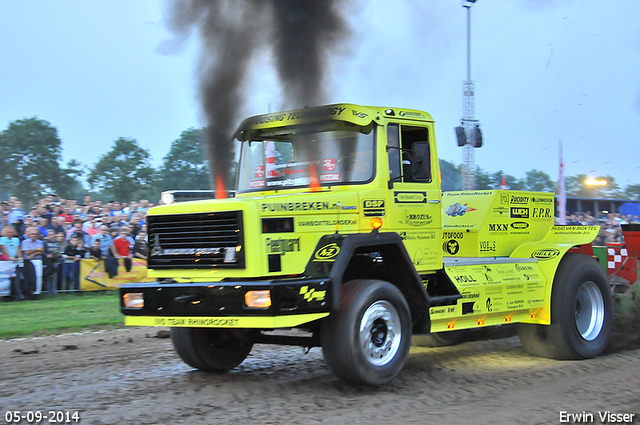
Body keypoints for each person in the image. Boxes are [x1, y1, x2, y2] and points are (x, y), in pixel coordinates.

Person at [1, 227, 25, 300]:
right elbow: (4, 249)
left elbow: (18, 249)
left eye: (11, 232)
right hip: (6, 261)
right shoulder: (2, 239)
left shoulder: (16, 240)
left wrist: (20, 257)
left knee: (14, 277)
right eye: (9, 232)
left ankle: (15, 294)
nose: (10, 234)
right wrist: (11, 257)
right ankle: (7, 295)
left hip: (13, 262)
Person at [20, 227, 44, 298]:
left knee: (38, 276)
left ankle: (36, 293)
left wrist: (32, 253)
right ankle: (29, 292)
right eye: (32, 234)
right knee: (29, 276)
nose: (34, 235)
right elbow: (27, 252)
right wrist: (36, 250)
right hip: (28, 261)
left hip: (38, 260)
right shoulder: (24, 242)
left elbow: (41, 251)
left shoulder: (40, 242)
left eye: (35, 234)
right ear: (29, 235)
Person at [42, 229, 61, 294]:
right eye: (49, 235)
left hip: (55, 261)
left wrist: (58, 254)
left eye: (52, 234)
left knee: (54, 277)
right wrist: (46, 255)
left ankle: (53, 291)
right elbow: (42, 252)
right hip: (48, 262)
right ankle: (47, 290)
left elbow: (58, 250)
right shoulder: (45, 243)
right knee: (48, 276)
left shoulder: (57, 242)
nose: (51, 236)